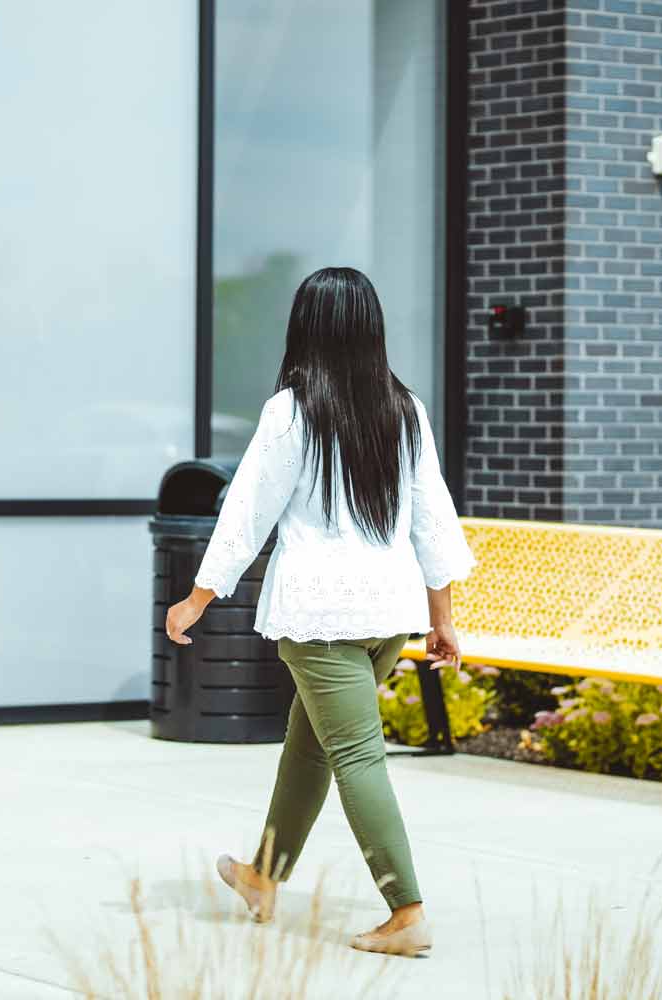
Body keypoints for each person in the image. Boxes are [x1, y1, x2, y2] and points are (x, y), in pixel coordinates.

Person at [164, 266, 475, 958]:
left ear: (305, 327)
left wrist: (196, 599)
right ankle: (263, 877)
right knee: (309, 746)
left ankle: (407, 911)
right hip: (388, 614)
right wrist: (442, 617)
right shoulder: (405, 409)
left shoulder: (292, 410)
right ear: (371, 328)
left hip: (320, 613)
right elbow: (433, 518)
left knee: (356, 755)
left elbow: (244, 514)